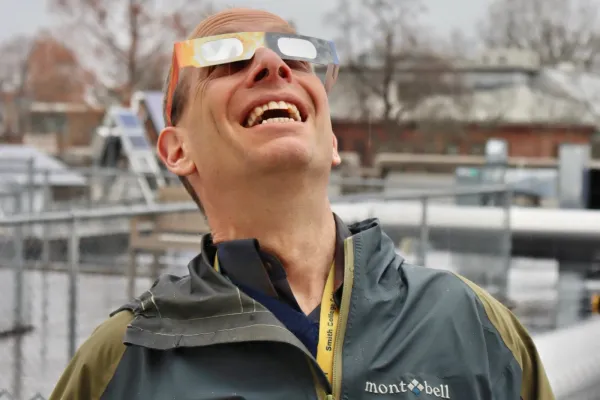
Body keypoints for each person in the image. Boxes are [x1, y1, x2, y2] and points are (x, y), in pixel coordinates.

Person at [49, 8, 554, 400]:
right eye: (227, 62)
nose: (271, 66)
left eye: (295, 60)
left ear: (332, 139)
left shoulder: (474, 327)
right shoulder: (123, 360)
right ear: (177, 150)